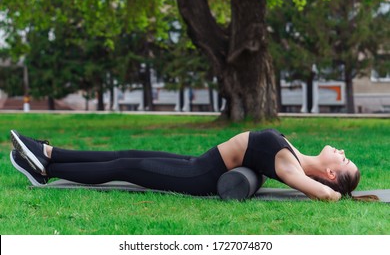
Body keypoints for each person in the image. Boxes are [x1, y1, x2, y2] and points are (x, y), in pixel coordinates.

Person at [9, 128, 361, 201]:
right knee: (129, 155)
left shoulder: (290, 167)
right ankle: (50, 152)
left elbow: (325, 195)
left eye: (343, 160)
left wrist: (334, 193)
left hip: (198, 176)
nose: (341, 150)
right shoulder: (296, 156)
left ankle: (45, 171)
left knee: (124, 167)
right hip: (201, 162)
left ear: (331, 173)